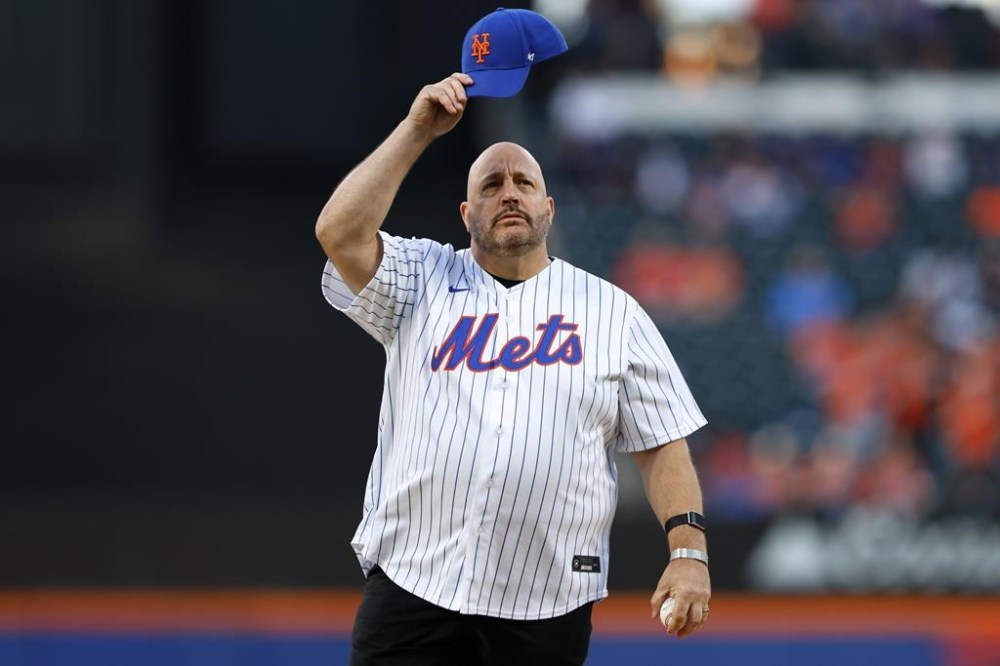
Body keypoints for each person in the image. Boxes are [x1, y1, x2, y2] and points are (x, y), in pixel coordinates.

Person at [315, 72, 712, 666]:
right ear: (466, 209)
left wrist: (689, 553)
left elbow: (661, 444)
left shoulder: (611, 311)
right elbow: (339, 233)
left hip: (548, 601)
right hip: (414, 583)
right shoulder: (422, 277)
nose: (509, 193)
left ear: (547, 207)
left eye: (524, 182)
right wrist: (418, 130)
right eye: (492, 184)